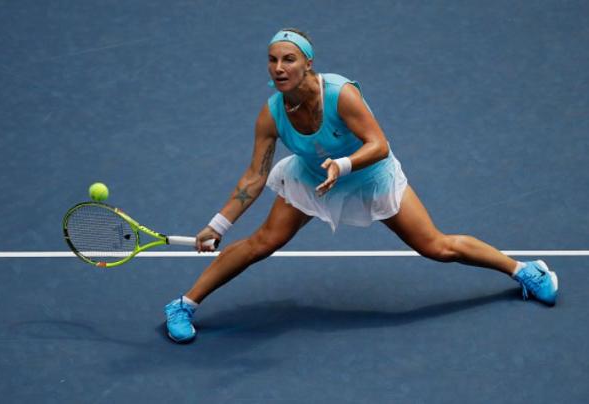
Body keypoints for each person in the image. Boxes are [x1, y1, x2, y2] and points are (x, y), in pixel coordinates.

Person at [164, 28, 558, 343]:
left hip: (370, 176)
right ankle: (183, 305)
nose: (279, 68)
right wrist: (218, 225)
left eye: (289, 59)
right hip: (312, 178)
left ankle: (525, 271)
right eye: (272, 60)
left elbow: (379, 145)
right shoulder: (271, 115)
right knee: (261, 243)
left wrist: (344, 163)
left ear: (307, 64)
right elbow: (253, 176)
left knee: (436, 246)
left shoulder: (340, 94)